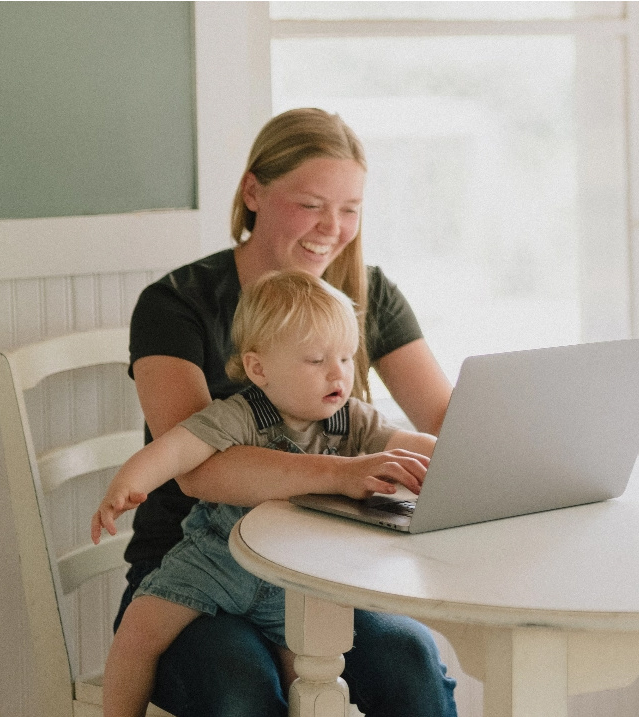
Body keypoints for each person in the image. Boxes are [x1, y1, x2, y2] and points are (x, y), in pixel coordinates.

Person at [118, 108, 458, 717]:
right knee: (239, 689)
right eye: (311, 203)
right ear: (253, 191)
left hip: (324, 572)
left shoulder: (366, 291)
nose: (333, 227)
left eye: (349, 208)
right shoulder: (176, 304)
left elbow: (447, 420)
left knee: (409, 663)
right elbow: (200, 471)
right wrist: (344, 475)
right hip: (195, 575)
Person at [95, 271, 437, 717]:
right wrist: (127, 483)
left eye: (347, 358)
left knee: (314, 687)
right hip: (217, 562)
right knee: (139, 632)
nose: (338, 373)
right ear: (259, 369)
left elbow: (416, 448)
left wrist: (464, 459)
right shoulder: (238, 416)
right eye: (316, 360)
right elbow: (176, 450)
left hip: (297, 578)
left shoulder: (353, 420)